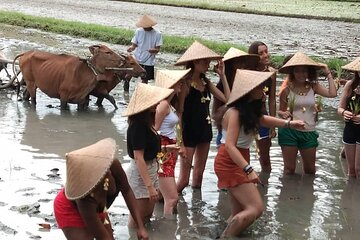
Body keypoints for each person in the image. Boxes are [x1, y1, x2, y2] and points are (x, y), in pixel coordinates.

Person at [214, 69, 305, 238]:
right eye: (259, 87)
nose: (263, 90)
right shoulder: (234, 113)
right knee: (256, 209)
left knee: (239, 211)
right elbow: (230, 146)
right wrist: (248, 169)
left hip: (239, 158)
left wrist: (289, 124)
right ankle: (225, 237)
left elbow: (263, 120)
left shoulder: (249, 110)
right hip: (229, 161)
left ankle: (225, 232)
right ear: (248, 91)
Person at [53, 138, 149, 240]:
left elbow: (127, 191)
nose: (108, 172)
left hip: (98, 205)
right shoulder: (85, 199)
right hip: (69, 208)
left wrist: (140, 227)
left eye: (107, 171)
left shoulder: (113, 165)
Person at [174, 40, 230, 193]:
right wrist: (181, 142)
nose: (208, 63)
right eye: (205, 61)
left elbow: (228, 99)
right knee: (184, 180)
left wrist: (222, 76)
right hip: (189, 132)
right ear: (195, 62)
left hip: (204, 130)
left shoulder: (206, 81)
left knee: (198, 177)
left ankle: (194, 212)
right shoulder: (185, 84)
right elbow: (179, 113)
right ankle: (164, 201)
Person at [277, 51, 337, 175]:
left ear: (309, 72)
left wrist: (328, 72)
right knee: (289, 169)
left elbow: (332, 94)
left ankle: (309, 193)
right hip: (289, 131)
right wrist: (283, 114)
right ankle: (288, 193)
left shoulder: (313, 86)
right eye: (297, 71)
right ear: (292, 72)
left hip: (308, 131)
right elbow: (280, 111)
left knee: (310, 170)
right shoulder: (286, 90)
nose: (301, 74)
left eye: (304, 71)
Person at [122, 83, 173, 226]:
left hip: (150, 169)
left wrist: (166, 150)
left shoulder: (147, 122)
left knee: (147, 215)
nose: (158, 103)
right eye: (154, 101)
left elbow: (148, 150)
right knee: (139, 218)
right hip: (140, 174)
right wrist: (149, 187)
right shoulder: (137, 126)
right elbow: (139, 157)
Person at [153, 68, 190, 216]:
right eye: (179, 82)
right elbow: (154, 131)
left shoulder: (170, 104)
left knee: (164, 195)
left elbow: (178, 118)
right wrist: (166, 148)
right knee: (172, 198)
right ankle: (169, 230)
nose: (181, 83)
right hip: (164, 152)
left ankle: (159, 221)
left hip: (170, 150)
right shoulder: (163, 105)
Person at [212, 47, 260, 148]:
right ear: (231, 65)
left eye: (243, 62)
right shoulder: (221, 86)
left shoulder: (246, 85)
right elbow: (218, 111)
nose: (242, 65)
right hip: (227, 130)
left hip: (244, 130)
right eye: (238, 62)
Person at [248, 41, 277, 172]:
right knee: (243, 155)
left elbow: (272, 100)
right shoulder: (246, 72)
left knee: (265, 159)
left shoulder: (271, 73)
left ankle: (264, 186)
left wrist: (273, 125)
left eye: (266, 51)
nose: (265, 55)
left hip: (262, 116)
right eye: (261, 53)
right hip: (246, 116)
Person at [337, 57, 360, 178]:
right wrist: (344, 113)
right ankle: (349, 195)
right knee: (351, 171)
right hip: (350, 128)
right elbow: (340, 108)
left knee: (358, 169)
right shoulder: (350, 85)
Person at [127, 14, 163, 90]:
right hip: (137, 58)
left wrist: (153, 50)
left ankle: (142, 91)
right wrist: (131, 48)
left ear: (150, 25)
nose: (144, 28)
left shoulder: (157, 34)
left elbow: (157, 49)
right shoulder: (138, 31)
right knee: (128, 75)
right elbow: (134, 45)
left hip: (148, 60)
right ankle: (126, 89)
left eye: (145, 26)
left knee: (145, 78)